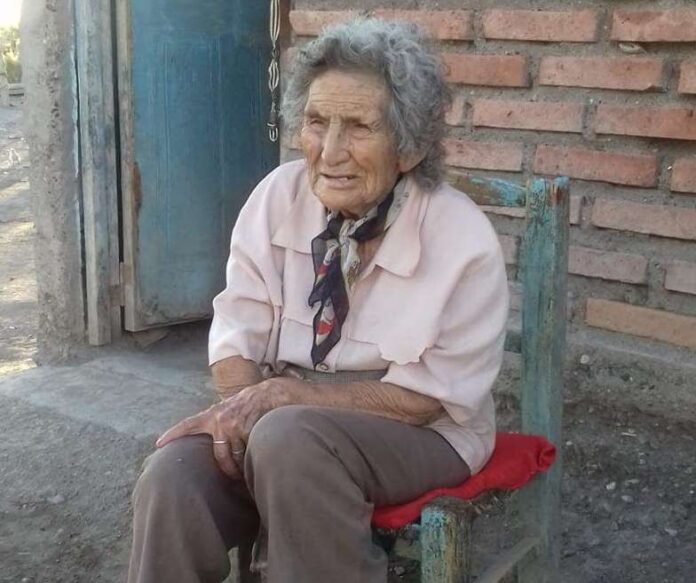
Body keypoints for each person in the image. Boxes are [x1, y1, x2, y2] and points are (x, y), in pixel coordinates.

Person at [127, 17, 509, 583]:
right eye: (316, 122)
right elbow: (238, 327)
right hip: (283, 426)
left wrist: (287, 398)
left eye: (358, 127)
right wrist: (240, 410)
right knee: (174, 474)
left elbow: (428, 400)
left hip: (421, 433)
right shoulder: (277, 196)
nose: (330, 152)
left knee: (289, 439)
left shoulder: (462, 238)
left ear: (408, 146)